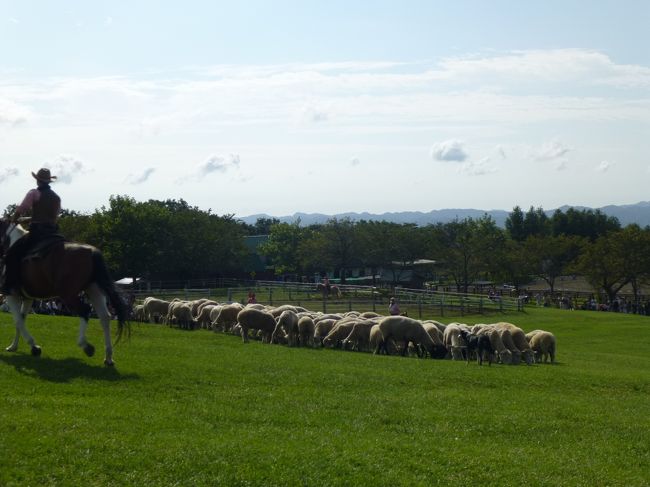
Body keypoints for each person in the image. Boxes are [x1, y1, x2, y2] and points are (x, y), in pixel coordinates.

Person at [1, 168, 61, 295]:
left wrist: (14, 219)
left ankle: (10, 286)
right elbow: (52, 217)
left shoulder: (34, 193)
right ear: (48, 181)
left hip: (37, 233)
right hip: (53, 233)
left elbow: (22, 208)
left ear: (38, 181)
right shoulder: (56, 197)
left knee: (12, 254)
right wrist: (29, 219)